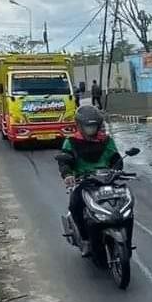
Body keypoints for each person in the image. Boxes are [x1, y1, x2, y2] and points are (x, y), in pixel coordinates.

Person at [57, 105, 123, 255]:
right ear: (80, 126)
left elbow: (116, 159)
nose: (91, 130)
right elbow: (64, 161)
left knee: (123, 201)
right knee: (75, 205)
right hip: (83, 182)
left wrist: (118, 169)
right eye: (88, 126)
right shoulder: (71, 141)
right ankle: (85, 239)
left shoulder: (107, 141)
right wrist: (68, 174)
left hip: (106, 180)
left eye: (93, 126)